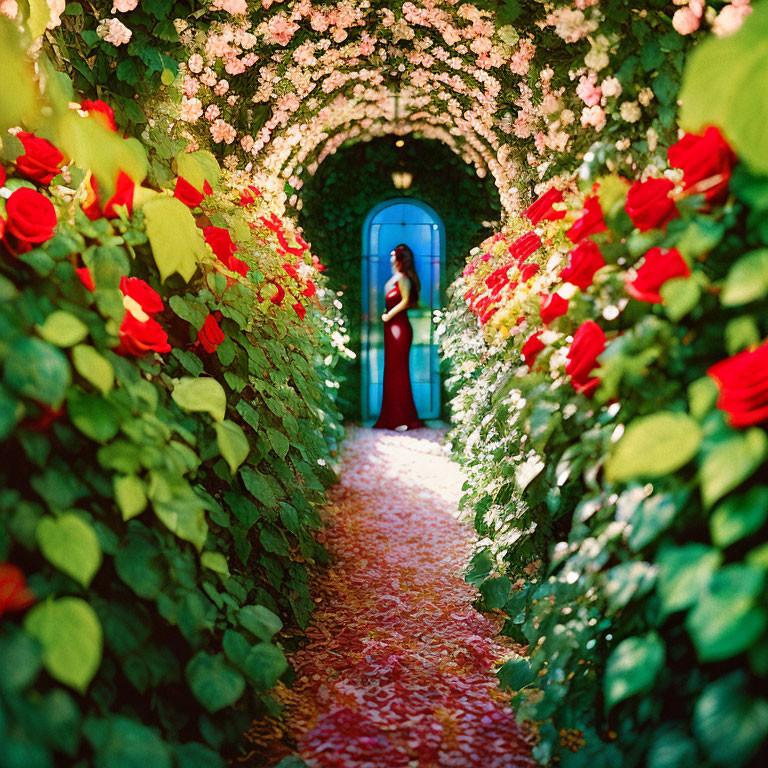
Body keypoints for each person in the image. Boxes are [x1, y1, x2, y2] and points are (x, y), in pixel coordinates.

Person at [373, 243, 425, 431]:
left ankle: (403, 418)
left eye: (393, 253)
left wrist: (388, 315)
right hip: (393, 327)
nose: (390, 256)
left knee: (398, 372)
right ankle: (392, 417)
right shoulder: (396, 277)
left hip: (399, 327)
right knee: (392, 372)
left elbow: (405, 301)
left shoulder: (403, 278)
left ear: (400, 258)